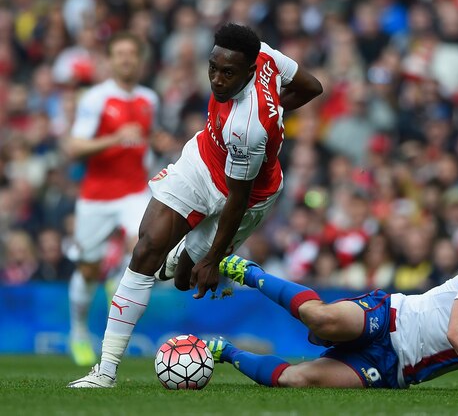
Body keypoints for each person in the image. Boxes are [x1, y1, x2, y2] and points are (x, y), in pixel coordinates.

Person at [68, 23, 322, 387]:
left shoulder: (247, 126)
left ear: (250, 70)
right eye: (213, 67)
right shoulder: (263, 53)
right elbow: (313, 87)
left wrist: (213, 259)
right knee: (145, 250)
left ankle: (180, 263)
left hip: (246, 197)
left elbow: (236, 199)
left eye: (228, 73)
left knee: (187, 277)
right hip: (203, 161)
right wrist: (279, 109)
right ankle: (104, 372)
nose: (217, 80)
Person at [205, 249, 458, 393]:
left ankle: (224, 352)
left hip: (393, 371)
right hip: (391, 317)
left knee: (296, 380)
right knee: (319, 318)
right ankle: (250, 272)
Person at [63, 32, 159, 366]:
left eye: (132, 53)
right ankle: (77, 331)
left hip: (134, 191)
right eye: (120, 53)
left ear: (140, 59)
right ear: (111, 60)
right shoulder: (96, 99)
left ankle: (118, 278)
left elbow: (144, 146)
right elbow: (74, 148)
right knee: (88, 268)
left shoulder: (149, 99)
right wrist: (115, 137)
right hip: (97, 196)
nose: (126, 59)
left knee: (146, 244)